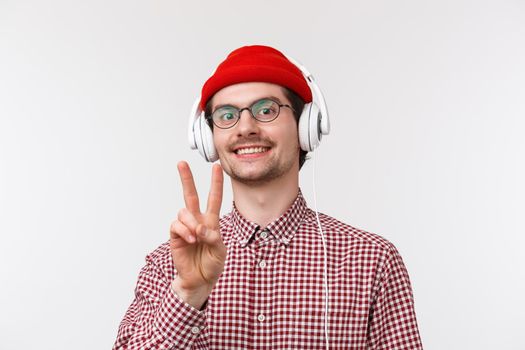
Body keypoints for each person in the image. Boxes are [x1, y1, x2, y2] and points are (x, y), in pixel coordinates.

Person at [113, 45, 423, 349]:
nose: (246, 127)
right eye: (226, 115)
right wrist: (187, 294)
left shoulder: (373, 261)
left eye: (266, 110)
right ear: (208, 138)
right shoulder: (166, 265)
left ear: (305, 128)